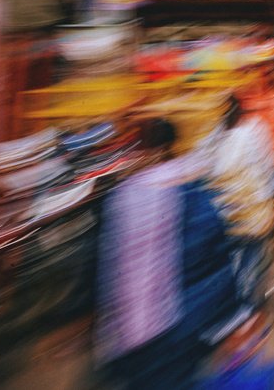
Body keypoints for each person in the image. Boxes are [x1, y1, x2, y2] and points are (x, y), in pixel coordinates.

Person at [96, 118, 237, 389]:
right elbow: (217, 259)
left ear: (149, 149)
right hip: (180, 325)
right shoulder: (193, 189)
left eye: (136, 147)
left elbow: (107, 265)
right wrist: (228, 320)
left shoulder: (123, 196)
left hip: (135, 330)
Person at [205, 97, 274, 309]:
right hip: (253, 214)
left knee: (233, 260)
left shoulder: (211, 140)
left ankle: (235, 302)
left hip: (225, 216)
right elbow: (267, 169)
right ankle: (248, 305)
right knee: (254, 257)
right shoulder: (253, 133)